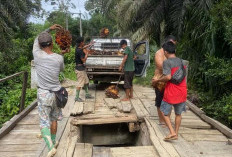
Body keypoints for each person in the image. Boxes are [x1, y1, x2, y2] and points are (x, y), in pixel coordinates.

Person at [33, 24, 69, 157]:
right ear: (52, 43)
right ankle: (54, 141)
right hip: (57, 93)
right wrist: (61, 55)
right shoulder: (58, 58)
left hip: (44, 93)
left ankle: (50, 147)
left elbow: (37, 38)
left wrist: (50, 28)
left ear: (39, 44)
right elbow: (61, 69)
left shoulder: (36, 55)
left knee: (43, 122)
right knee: (54, 119)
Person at [152, 41, 187, 141]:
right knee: (178, 114)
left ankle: (171, 132)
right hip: (182, 90)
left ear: (166, 52)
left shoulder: (167, 62)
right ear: (174, 50)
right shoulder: (181, 61)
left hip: (172, 91)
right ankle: (176, 133)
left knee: (163, 111)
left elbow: (168, 77)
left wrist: (157, 80)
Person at [152, 35, 177, 125]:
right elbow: (160, 66)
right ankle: (162, 120)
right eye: (171, 43)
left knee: (169, 100)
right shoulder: (159, 53)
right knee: (160, 100)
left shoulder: (172, 53)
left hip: (169, 81)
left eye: (174, 44)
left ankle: (167, 120)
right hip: (160, 80)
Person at [75, 37, 94, 102]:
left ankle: (87, 94)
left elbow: (84, 47)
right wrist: (87, 54)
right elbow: (83, 60)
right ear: (81, 43)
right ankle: (76, 97)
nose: (84, 43)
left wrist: (90, 44)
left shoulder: (78, 48)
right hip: (80, 69)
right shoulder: (79, 51)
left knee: (86, 81)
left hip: (82, 68)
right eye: (83, 42)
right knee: (80, 83)